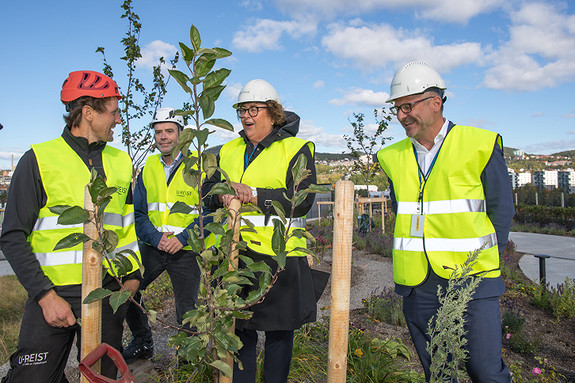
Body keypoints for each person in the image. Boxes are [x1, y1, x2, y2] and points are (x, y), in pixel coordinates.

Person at [376, 61, 514, 382]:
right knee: (438, 373)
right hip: (418, 285)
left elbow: (501, 210)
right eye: (397, 109)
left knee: (486, 372)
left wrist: (487, 259)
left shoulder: (478, 144)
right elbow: (403, 210)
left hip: (472, 280)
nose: (401, 116)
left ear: (435, 102)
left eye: (408, 106)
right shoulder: (392, 156)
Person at [0, 70, 141, 382]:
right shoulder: (39, 159)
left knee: (101, 377)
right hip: (52, 294)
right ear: (88, 113)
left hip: (106, 290)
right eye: (114, 112)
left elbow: (126, 225)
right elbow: (11, 236)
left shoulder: (121, 162)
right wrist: (45, 296)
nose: (118, 120)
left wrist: (132, 275)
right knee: (31, 378)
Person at [203, 79, 319, 383]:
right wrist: (221, 194)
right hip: (233, 254)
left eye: (253, 109)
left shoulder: (296, 148)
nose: (245, 116)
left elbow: (303, 199)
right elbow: (205, 190)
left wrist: (252, 193)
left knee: (280, 331)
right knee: (240, 331)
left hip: (279, 256)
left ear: (273, 113)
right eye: (242, 109)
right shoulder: (226, 150)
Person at [122, 107, 208, 363]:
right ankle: (142, 342)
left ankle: (187, 363)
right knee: (128, 289)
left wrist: (181, 239)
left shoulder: (199, 166)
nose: (163, 137)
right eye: (158, 132)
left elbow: (210, 213)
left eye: (169, 131)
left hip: (186, 250)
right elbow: (138, 213)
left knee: (187, 310)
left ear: (181, 135)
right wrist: (155, 238)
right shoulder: (148, 166)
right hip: (153, 247)